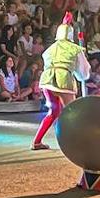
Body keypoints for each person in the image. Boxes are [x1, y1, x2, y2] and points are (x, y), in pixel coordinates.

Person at [31, 14, 90, 151]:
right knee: (72, 112)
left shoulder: (49, 49)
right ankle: (78, 142)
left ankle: (37, 141)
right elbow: (84, 72)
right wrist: (80, 75)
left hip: (47, 80)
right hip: (63, 79)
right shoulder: (74, 48)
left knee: (54, 111)